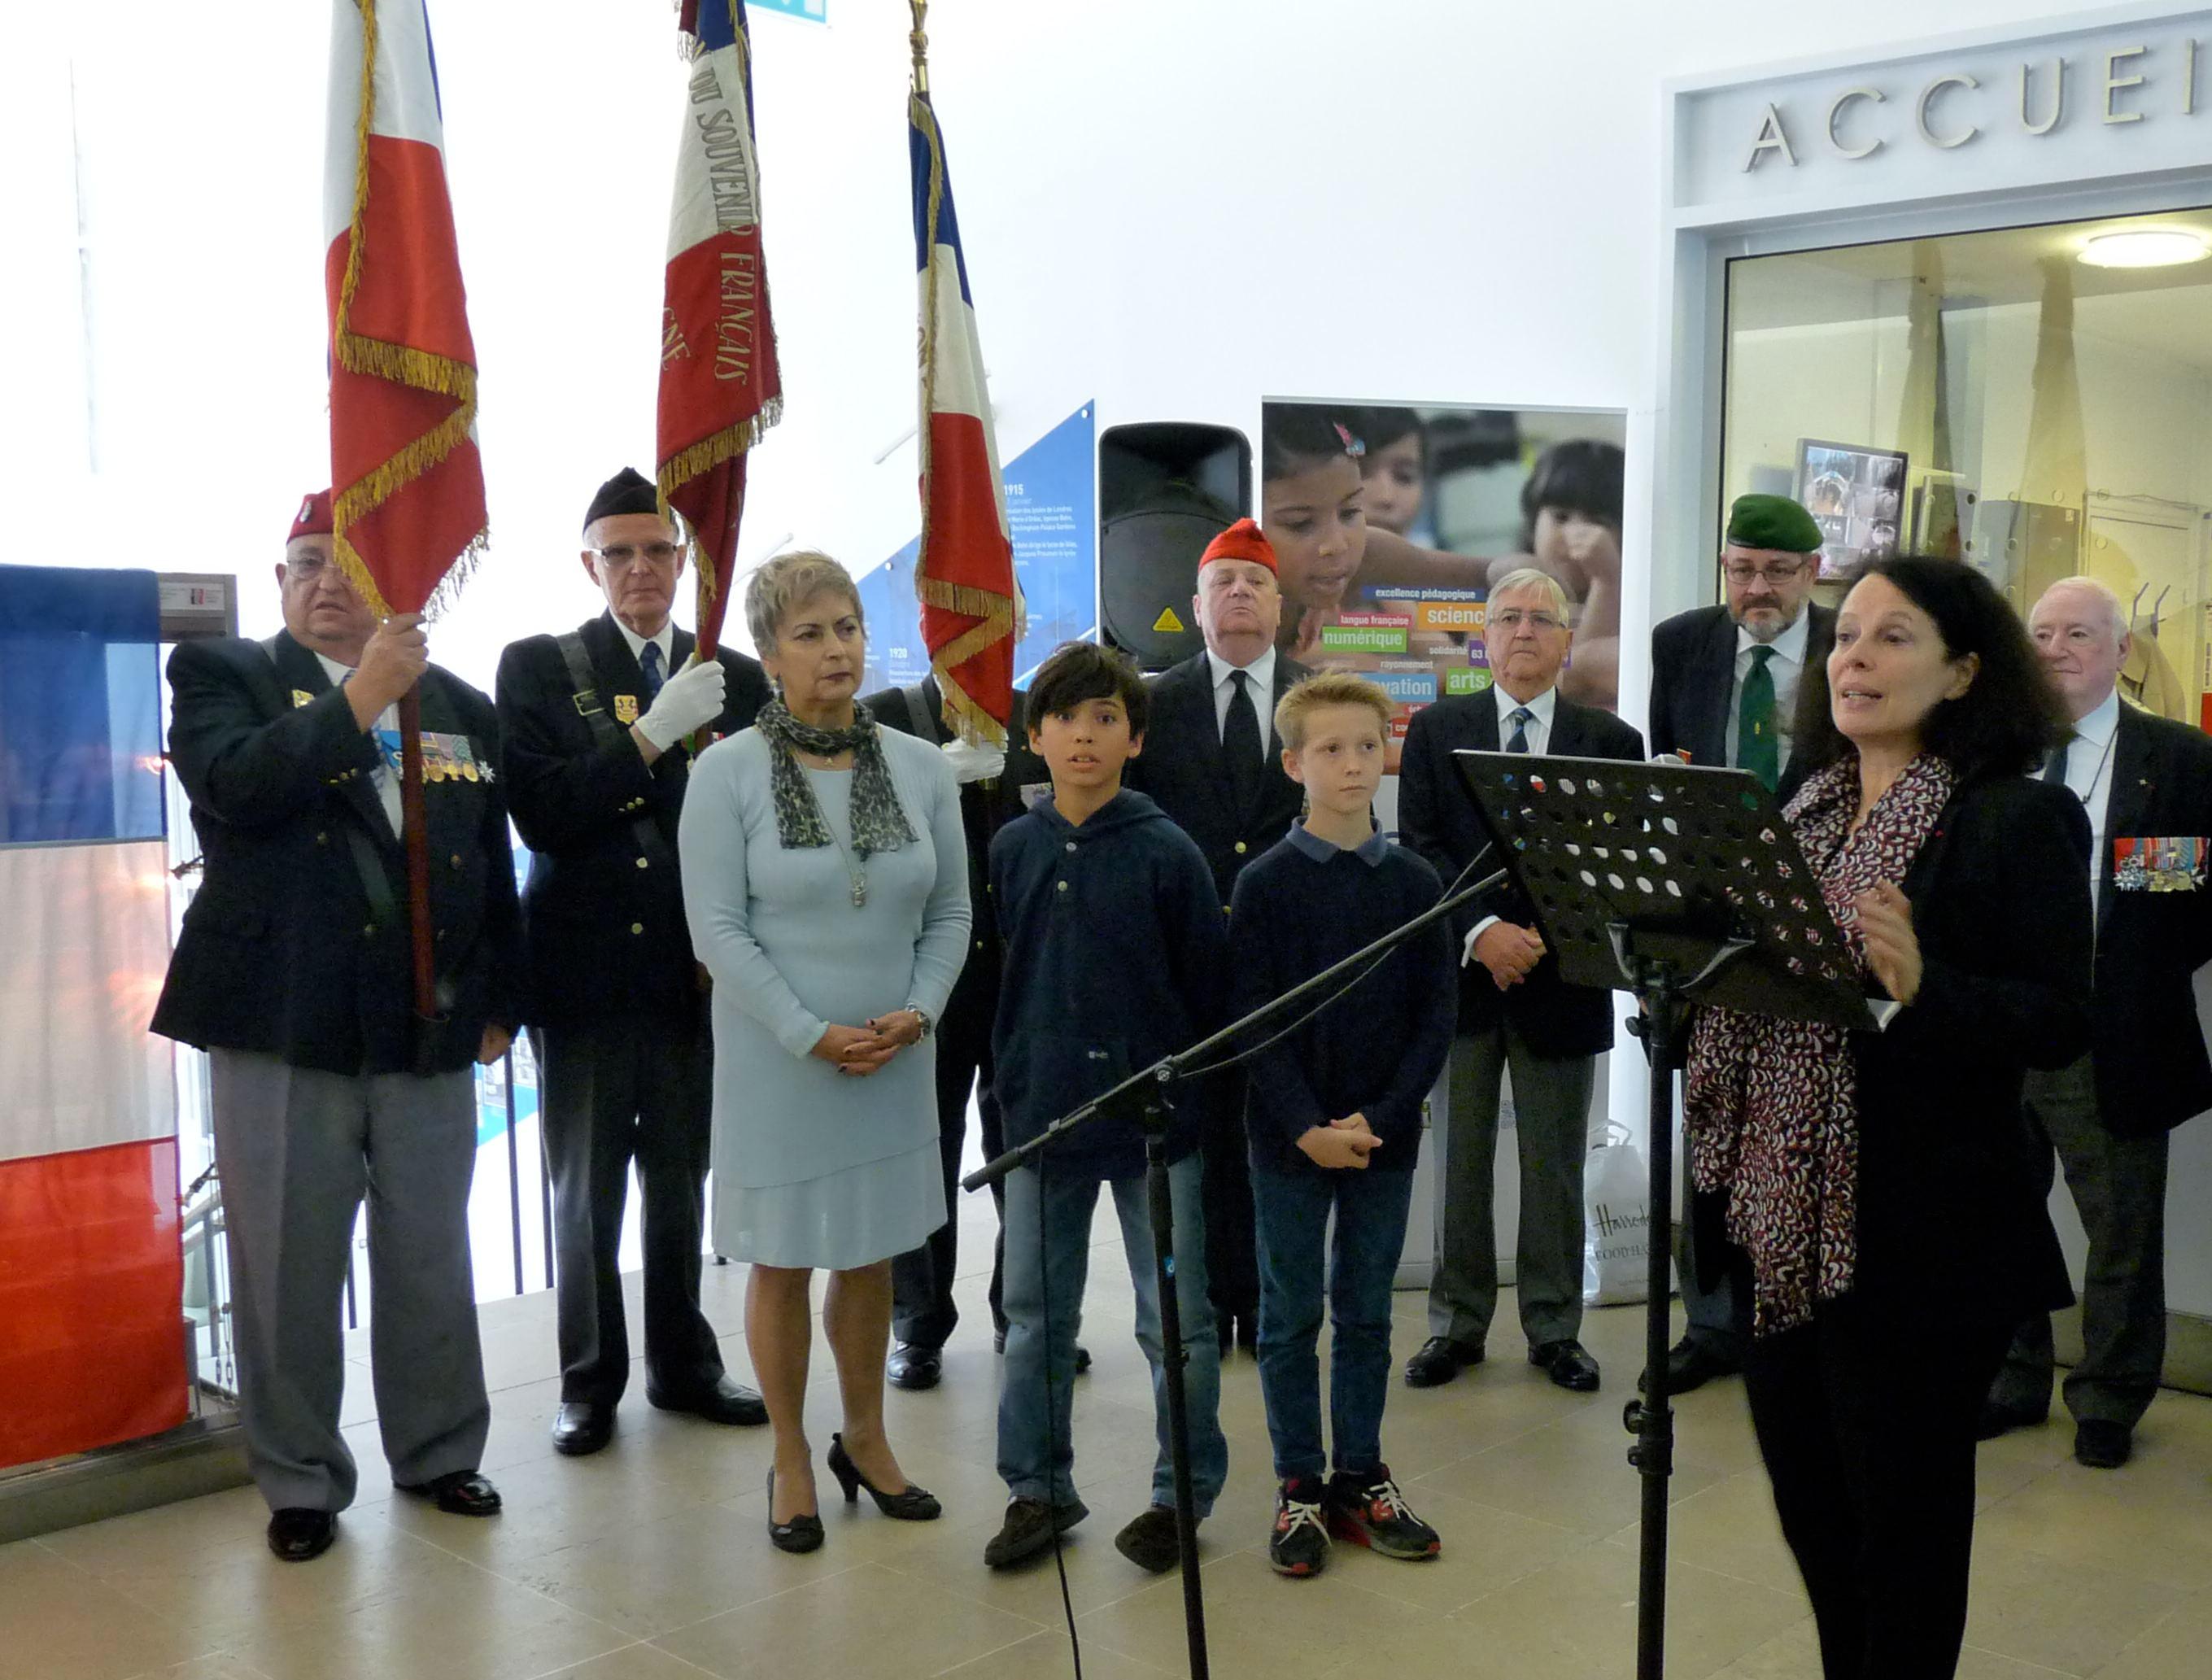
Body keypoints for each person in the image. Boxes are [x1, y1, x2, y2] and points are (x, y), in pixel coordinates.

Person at [1686, 556, 2090, 1679]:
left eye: (1890, 637)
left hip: (1919, 1240)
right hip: (1779, 1227)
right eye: (1843, 636)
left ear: (1962, 671)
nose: (1850, 658)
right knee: (1813, 1516)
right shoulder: (1795, 808)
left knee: (1902, 1535)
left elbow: (2059, 1019)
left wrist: (1926, 991)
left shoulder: (2015, 817)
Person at [151, 491, 518, 1562]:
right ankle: (302, 1479)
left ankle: (442, 1450)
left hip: (425, 1024)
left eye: (345, 563)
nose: (323, 582)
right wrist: (360, 698)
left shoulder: (456, 702)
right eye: (303, 562)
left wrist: (500, 996)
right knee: (288, 1265)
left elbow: (483, 864)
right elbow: (238, 785)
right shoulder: (225, 679)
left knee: (429, 1256)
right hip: (282, 1023)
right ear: (277, 583)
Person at [678, 551, 969, 1552]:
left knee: (874, 1249)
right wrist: (807, 1030)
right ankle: (793, 1457)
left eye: (846, 626)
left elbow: (952, 910)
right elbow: (715, 928)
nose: (836, 648)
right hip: (777, 1059)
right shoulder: (725, 773)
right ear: (767, 653)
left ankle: (869, 1439)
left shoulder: (922, 764)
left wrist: (919, 1011)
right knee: (784, 1259)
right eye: (809, 632)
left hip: (895, 1054)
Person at [495, 468, 772, 1456]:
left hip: (694, 978)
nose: (642, 569)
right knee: (586, 1192)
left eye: (658, 549)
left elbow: (763, 828)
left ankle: (684, 1363)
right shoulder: (537, 667)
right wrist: (651, 733)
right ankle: (588, 1380)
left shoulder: (736, 676)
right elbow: (546, 813)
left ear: (684, 557)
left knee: (680, 1178)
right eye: (620, 553)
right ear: (589, 564)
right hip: (587, 973)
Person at [985, 640, 1231, 1575]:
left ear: (1134, 740)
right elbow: (1005, 977)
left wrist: (1181, 1093)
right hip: (1041, 1116)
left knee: (1173, 1320)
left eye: (1104, 721)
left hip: (1152, 1126)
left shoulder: (1168, 851)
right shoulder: (1012, 846)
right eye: (1065, 719)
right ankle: (1036, 1487)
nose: (1083, 736)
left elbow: (1208, 996)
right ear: (1035, 734)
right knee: (1035, 1316)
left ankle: (1180, 1494)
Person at [1980, 575, 2212, 1468]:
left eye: (2078, 633)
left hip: (2112, 1031)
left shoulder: (2180, 758)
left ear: (2120, 651)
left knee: (2121, 1229)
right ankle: (2012, 1375)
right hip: (2005, 1029)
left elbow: (2189, 898)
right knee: (2003, 1212)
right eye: (2040, 633)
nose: (2055, 649)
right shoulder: (1992, 753)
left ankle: (2109, 1397)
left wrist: (2118, 976)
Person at [1228, 673, 1455, 1577]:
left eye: (1367, 745)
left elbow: (1433, 1018)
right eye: (1330, 748)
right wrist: (1302, 1125)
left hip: (1382, 1136)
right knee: (1289, 1316)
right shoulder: (1265, 882)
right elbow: (1251, 1016)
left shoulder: (1414, 880)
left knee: (1366, 1311)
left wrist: (1384, 1115)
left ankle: (1360, 1473)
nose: (1352, 763)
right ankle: (1299, 1484)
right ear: (1294, 764)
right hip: (1288, 1140)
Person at [1397, 567, 1643, 1394]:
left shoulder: (1610, 741)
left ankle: (1552, 1326)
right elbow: (1421, 844)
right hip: (1463, 981)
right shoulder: (1437, 729)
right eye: (1509, 617)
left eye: (1543, 618)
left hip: (1562, 978)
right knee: (1459, 1163)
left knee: (1552, 1166)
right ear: (1486, 637)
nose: (1525, 631)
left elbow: (1617, 861)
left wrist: (1540, 935)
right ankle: (1456, 1324)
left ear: (1568, 641)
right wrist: (1480, 932)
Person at [1642, 491, 1837, 1395]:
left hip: (1813, 916)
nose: (1755, 588)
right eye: (1740, 568)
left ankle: (1797, 1311)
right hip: (1708, 924)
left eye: (1776, 572)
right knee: (1707, 1120)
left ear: (1812, 571)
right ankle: (1711, 1319)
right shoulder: (1682, 641)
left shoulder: (1850, 645)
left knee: (1801, 1123)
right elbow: (1670, 769)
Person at [863, 673, 1092, 1387]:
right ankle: (918, 1325)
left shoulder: (1040, 715)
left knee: (1027, 1149)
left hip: (1025, 972)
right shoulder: (887, 720)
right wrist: (929, 779)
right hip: (923, 977)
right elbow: (860, 842)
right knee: (920, 1148)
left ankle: (1023, 1310)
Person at [1125, 517, 1309, 1356]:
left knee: (1273, 1133)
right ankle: (1199, 1301)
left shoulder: (1319, 700)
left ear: (1280, 605)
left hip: (1285, 958)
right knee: (1196, 1134)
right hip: (1185, 957)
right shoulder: (1151, 705)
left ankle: (1270, 1301)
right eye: (1222, 582)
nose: (1238, 593)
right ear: (1195, 609)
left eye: (1255, 581)